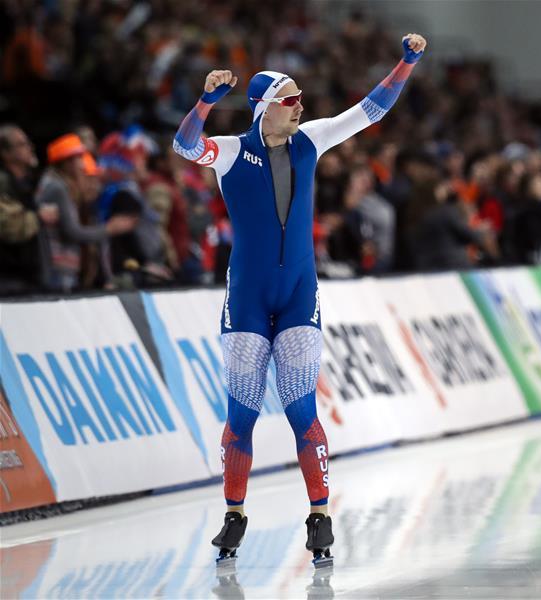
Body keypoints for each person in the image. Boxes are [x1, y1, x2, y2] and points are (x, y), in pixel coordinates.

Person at [172, 33, 427, 566]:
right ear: (266, 109)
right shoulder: (232, 152)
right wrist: (205, 102)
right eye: (291, 100)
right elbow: (184, 146)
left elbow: (371, 110)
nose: (302, 106)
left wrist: (407, 62)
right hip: (246, 298)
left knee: (301, 410)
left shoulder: (311, 139)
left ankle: (319, 515)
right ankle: (234, 515)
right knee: (240, 418)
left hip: (298, 297)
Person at [35, 133, 136, 293]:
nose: (82, 165)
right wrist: (109, 229)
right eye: (79, 159)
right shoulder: (57, 187)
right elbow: (72, 232)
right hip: (57, 269)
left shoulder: (58, 186)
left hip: (62, 269)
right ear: (66, 162)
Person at [0, 125, 51, 295]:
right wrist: (39, 218)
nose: (30, 148)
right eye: (22, 144)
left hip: (31, 276)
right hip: (9, 278)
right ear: (5, 153)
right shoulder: (4, 183)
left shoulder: (29, 182)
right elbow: (7, 226)